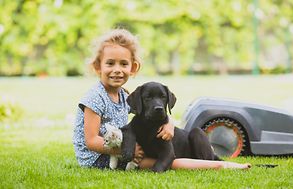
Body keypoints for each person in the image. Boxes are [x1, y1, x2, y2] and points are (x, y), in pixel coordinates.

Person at [73, 28, 251, 170]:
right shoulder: (94, 98)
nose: (117, 69)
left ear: (133, 68)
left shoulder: (123, 95)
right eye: (110, 63)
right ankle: (220, 165)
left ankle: (218, 164)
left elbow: (149, 113)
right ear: (98, 66)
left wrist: (169, 123)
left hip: (123, 151)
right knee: (170, 163)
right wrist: (127, 148)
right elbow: (91, 141)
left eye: (124, 64)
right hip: (100, 158)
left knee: (166, 157)